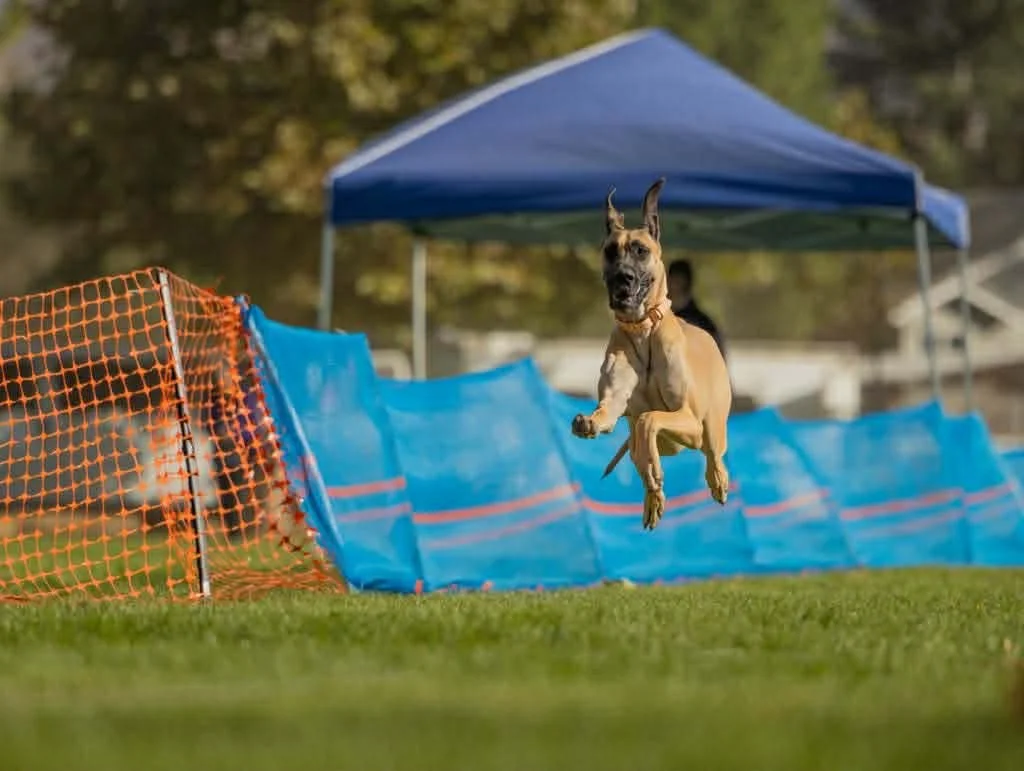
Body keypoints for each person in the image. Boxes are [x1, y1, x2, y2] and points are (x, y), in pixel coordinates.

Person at [667, 258, 727, 361]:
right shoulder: (660, 319)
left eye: (672, 280)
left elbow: (719, 361)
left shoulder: (702, 325)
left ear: (680, 282)